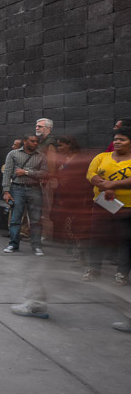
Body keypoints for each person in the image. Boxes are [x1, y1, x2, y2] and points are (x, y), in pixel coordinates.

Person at [84, 127, 131, 296]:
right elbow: (91, 174)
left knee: (126, 241)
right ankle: (94, 269)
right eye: (116, 139)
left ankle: (122, 274)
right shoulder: (102, 157)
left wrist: (112, 185)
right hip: (103, 204)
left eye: (123, 139)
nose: (118, 142)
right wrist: (104, 185)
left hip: (127, 207)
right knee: (97, 237)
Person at [2, 134, 49, 255]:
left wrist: (26, 172)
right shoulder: (13, 154)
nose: (35, 143)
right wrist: (6, 191)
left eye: (37, 142)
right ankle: (13, 244)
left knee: (36, 219)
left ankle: (37, 246)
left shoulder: (41, 157)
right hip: (17, 188)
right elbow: (7, 173)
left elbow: (45, 174)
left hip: (35, 189)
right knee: (15, 218)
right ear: (25, 141)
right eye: (32, 141)